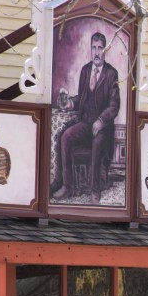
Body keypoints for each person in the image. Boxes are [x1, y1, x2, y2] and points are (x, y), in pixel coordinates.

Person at [51, 31, 121, 204]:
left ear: (105, 50)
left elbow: (114, 106)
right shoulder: (85, 71)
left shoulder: (112, 74)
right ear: (90, 50)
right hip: (85, 123)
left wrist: (101, 121)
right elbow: (81, 97)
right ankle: (67, 186)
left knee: (97, 144)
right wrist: (71, 104)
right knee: (66, 136)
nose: (96, 52)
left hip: (102, 128)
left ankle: (94, 190)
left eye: (100, 48)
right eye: (94, 48)